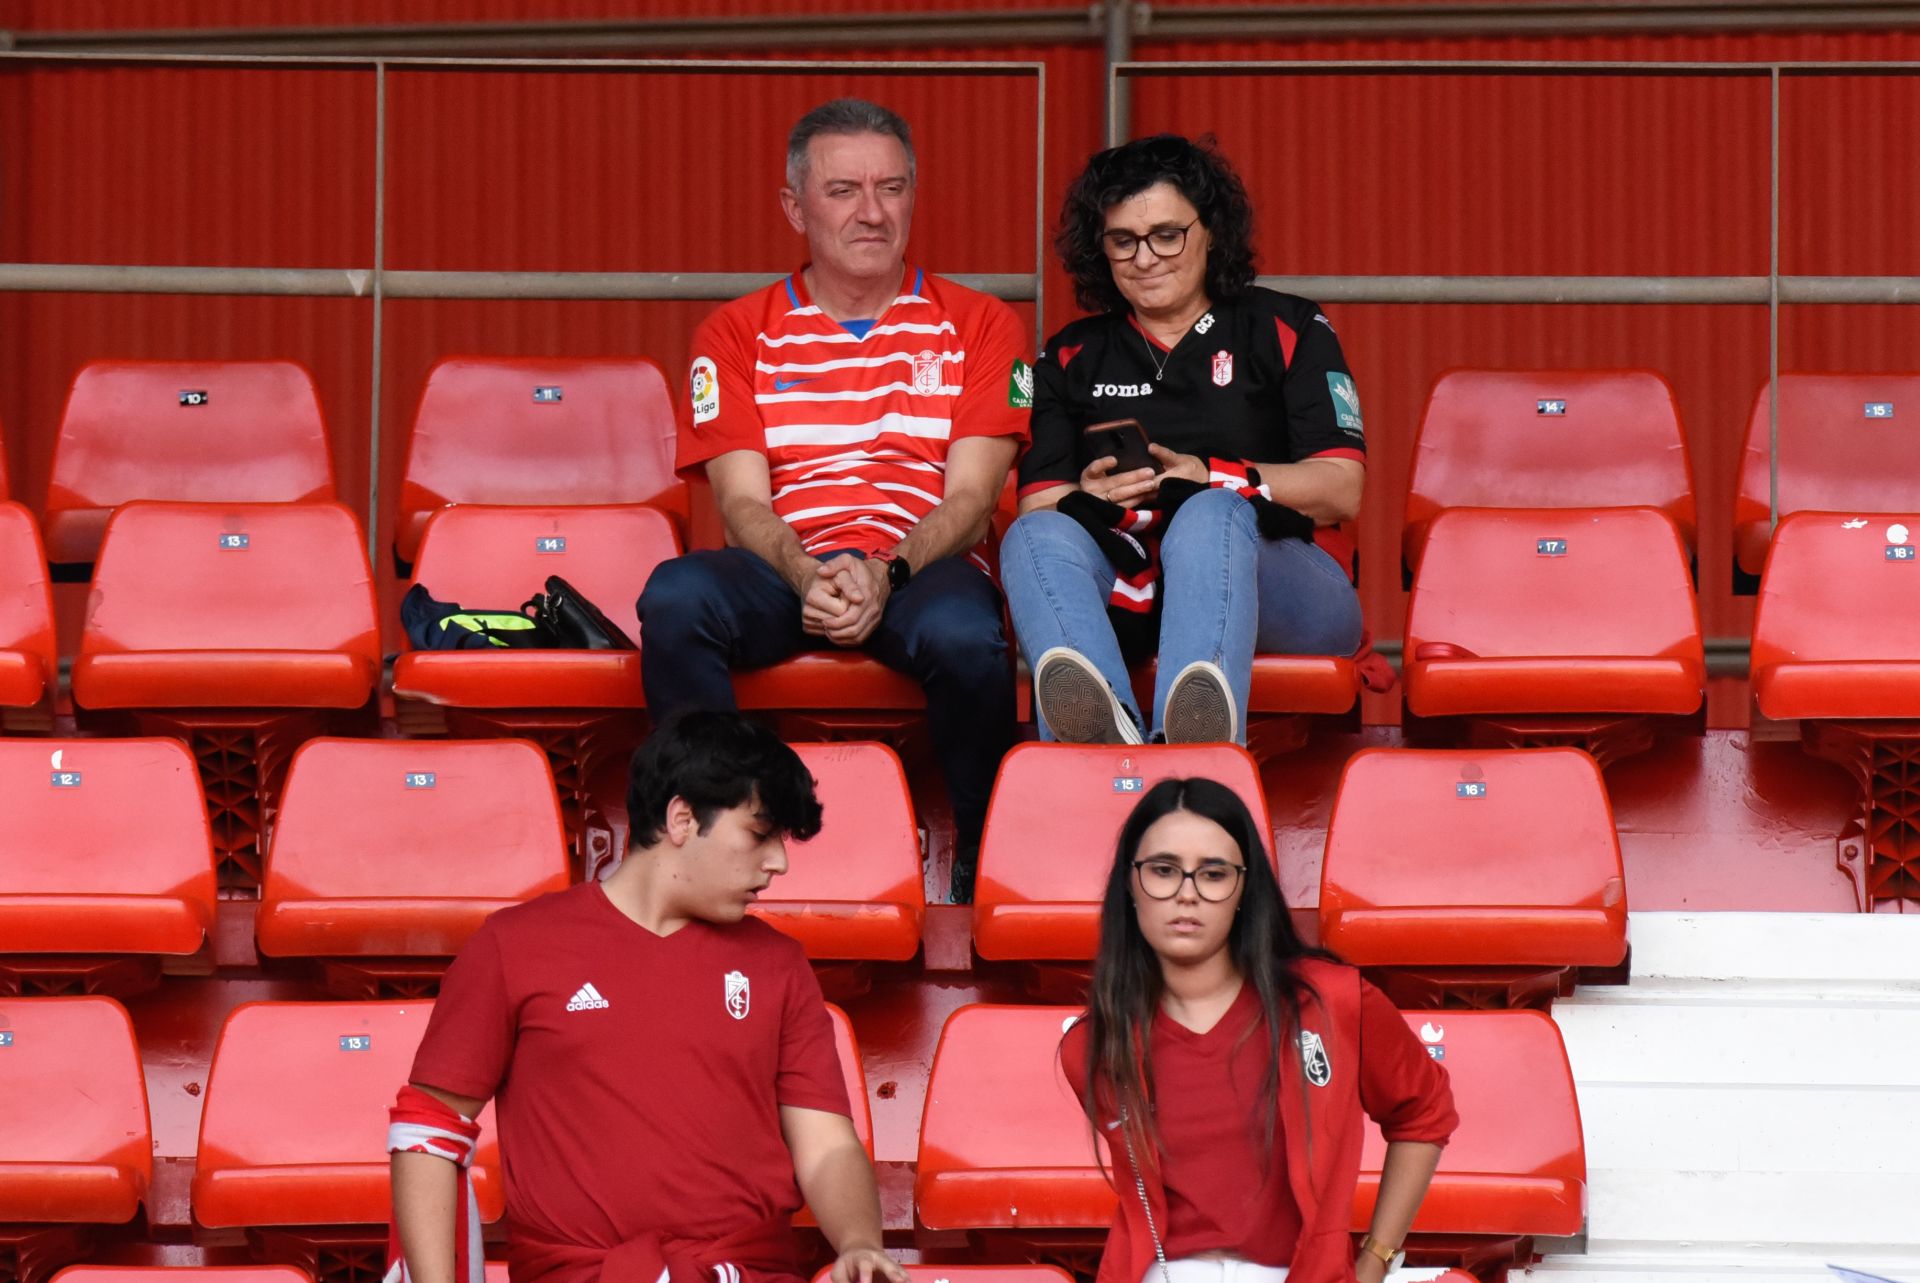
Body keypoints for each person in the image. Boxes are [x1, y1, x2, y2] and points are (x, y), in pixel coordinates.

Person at [638, 98, 1030, 903]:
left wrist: (886, 568)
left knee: (966, 631)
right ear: (795, 206)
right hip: (788, 563)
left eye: (891, 187)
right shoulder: (735, 332)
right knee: (675, 598)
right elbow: (743, 504)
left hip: (922, 562)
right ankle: (721, 832)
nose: (873, 211)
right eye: (844, 189)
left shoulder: (981, 324)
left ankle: (987, 849)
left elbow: (974, 497)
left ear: (914, 195)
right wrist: (807, 571)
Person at [388, 711, 907, 1283]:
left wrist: (859, 1243)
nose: (778, 863)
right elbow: (428, 1130)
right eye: (760, 835)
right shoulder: (514, 945)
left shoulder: (780, 964)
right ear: (682, 818)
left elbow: (827, 1146)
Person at [1003, 134, 1368, 746]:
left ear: (1211, 231)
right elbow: (1037, 504)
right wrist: (1089, 496)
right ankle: (1101, 739)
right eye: (1123, 241)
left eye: (1167, 234)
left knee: (1209, 514)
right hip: (1134, 582)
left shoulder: (1289, 326)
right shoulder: (1069, 354)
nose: (1146, 258)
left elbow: (1342, 487)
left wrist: (1213, 477)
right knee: (1034, 535)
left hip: (1289, 590)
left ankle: (1193, 741)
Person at [1061, 777, 1455, 1283]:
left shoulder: (1332, 1002)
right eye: (1163, 871)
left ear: (1243, 888)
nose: (1187, 894)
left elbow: (1424, 1112)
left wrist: (1376, 1257)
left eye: (1214, 873)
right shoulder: (1093, 1045)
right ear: (1130, 886)